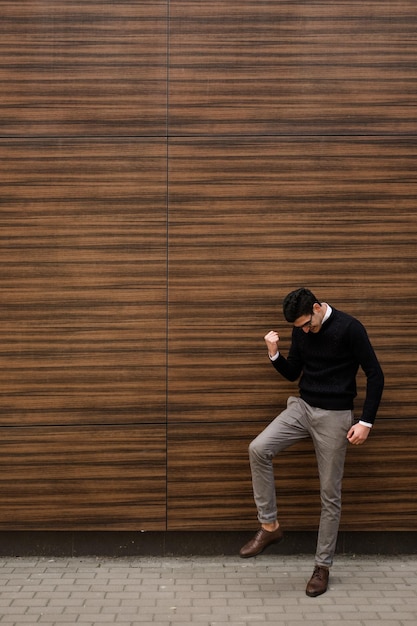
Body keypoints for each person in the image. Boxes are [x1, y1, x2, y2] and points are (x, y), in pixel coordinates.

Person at [239, 287, 384, 597]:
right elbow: (294, 372)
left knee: (329, 494)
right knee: (258, 448)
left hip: (335, 416)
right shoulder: (302, 329)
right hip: (303, 407)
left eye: (307, 324)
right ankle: (270, 527)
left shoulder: (350, 328)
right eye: (299, 328)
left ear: (318, 308)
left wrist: (366, 422)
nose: (304, 331)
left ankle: (322, 566)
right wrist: (274, 353)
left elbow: (375, 374)